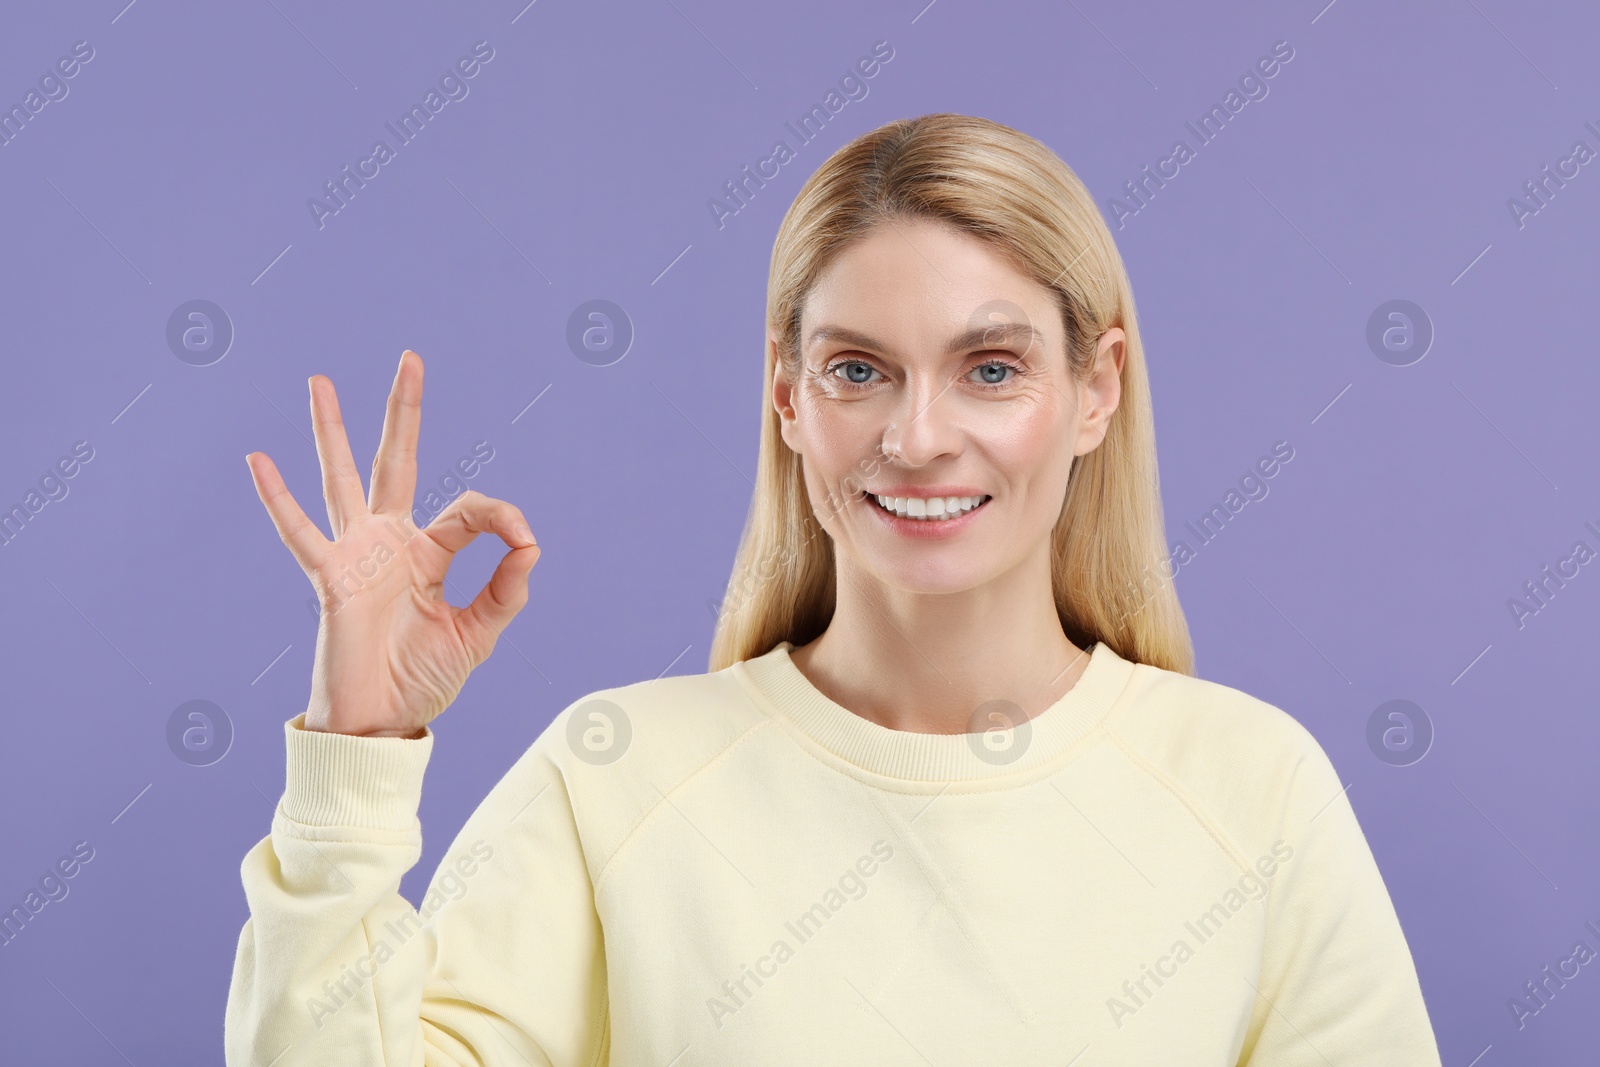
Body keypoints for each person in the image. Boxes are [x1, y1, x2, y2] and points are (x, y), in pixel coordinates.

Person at [225, 113, 1443, 1064]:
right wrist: (358, 750)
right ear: (788, 394)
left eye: (991, 367)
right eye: (859, 367)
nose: (917, 437)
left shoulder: (1253, 788)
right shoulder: (612, 779)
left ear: (1096, 388)